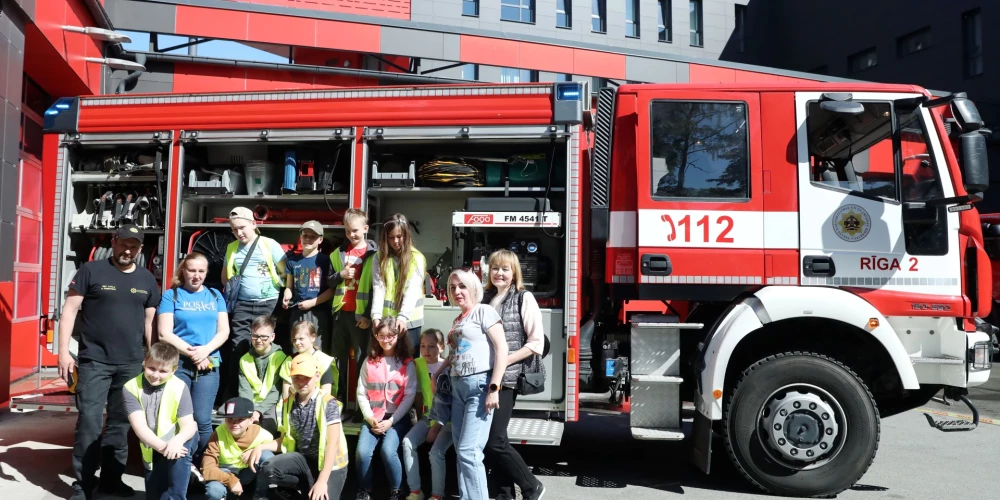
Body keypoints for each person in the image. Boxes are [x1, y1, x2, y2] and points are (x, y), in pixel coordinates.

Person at [58, 224, 161, 500]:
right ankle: (83, 483)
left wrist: (153, 357)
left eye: (134, 246)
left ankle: (111, 480)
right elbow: (69, 311)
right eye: (124, 243)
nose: (128, 250)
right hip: (94, 361)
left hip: (131, 363)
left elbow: (150, 322)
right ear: (113, 242)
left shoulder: (147, 279)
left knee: (121, 424)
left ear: (140, 249)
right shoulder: (91, 271)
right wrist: (63, 352)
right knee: (90, 422)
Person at [157, 251, 231, 474]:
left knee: (203, 419)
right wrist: (193, 354)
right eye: (192, 270)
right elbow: (164, 333)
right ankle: (181, 467)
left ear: (206, 273)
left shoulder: (215, 295)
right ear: (183, 271)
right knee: (181, 419)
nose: (196, 275)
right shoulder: (172, 296)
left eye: (201, 271)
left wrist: (205, 351)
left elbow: (224, 330)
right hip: (180, 366)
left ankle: (207, 465)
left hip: (209, 365)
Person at [482, 250, 547, 500]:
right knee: (494, 441)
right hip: (486, 377)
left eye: (505, 269)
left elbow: (536, 344)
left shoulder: (523, 298)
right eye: (495, 268)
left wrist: (503, 361)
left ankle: (532, 486)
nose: (499, 273)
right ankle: (503, 495)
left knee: (495, 441)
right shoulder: (486, 298)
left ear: (514, 273)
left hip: (507, 379)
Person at [445, 269, 508, 500]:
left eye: (461, 286)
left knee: (469, 451)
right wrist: (437, 374)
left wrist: (494, 387)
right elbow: (454, 355)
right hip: (457, 387)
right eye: (453, 287)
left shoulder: (484, 311)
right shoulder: (458, 319)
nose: (457, 291)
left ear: (473, 287)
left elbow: (502, 348)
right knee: (461, 452)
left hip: (479, 387)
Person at [255, 354, 350, 500]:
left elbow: (333, 443)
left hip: (331, 466)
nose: (301, 382)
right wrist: (260, 447)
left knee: (322, 495)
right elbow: (285, 441)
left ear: (317, 376)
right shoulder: (288, 403)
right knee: (269, 469)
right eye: (296, 377)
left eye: (307, 377)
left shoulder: (327, 402)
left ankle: (314, 487)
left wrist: (322, 481)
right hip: (304, 461)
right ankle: (302, 489)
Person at [221, 206, 287, 403]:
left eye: (242, 227)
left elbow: (286, 271)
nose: (239, 233)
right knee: (238, 348)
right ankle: (236, 395)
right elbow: (225, 277)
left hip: (267, 304)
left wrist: (287, 291)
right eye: (234, 229)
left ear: (254, 224)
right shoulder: (231, 248)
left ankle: (266, 394)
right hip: (242, 304)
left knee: (264, 347)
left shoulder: (269, 244)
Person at [122, 342, 199, 500]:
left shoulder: (180, 386)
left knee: (176, 485)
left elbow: (189, 425)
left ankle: (180, 489)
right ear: (145, 362)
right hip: (153, 445)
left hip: (178, 443)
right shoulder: (130, 387)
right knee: (155, 494)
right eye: (151, 368)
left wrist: (177, 441)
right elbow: (140, 427)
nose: (155, 375)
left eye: (163, 371)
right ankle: (190, 478)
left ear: (174, 370)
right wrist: (163, 448)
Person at [355, 318, 417, 500]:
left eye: (390, 336)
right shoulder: (370, 361)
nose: (386, 340)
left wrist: (391, 421)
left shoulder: (407, 363)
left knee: (388, 451)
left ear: (398, 336)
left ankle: (397, 490)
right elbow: (361, 393)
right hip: (373, 418)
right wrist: (368, 417)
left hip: (397, 418)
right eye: (381, 336)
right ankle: (365, 490)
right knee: (362, 453)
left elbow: (409, 396)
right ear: (376, 337)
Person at [328, 208, 378, 405]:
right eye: (348, 231)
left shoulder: (374, 254)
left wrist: (367, 315)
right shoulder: (337, 254)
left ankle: (360, 406)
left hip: (361, 318)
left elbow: (377, 289)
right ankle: (337, 402)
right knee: (337, 360)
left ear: (366, 228)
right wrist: (340, 275)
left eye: (355, 231)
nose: (351, 235)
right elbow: (329, 282)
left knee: (360, 361)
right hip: (341, 315)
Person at [401, 329, 453, 500]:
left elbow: (449, 401)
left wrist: (438, 425)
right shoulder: (417, 364)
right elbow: (418, 394)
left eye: (431, 346)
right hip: (429, 417)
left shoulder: (449, 366)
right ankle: (415, 491)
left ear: (442, 347)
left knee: (435, 452)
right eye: (423, 346)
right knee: (408, 443)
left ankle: (437, 495)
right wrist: (418, 418)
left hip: (448, 421)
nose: (426, 351)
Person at [201, 397, 278, 500]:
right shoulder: (219, 433)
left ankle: (261, 495)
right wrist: (231, 480)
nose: (234, 424)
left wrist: (257, 448)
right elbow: (207, 469)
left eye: (240, 419)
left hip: (247, 473)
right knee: (214, 491)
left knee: (267, 456)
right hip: (223, 473)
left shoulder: (260, 433)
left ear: (251, 420)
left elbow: (280, 443)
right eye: (230, 419)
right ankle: (226, 494)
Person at [371, 213, 427, 351]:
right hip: (386, 321)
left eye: (399, 237)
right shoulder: (379, 257)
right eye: (391, 237)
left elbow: (412, 289)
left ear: (406, 235)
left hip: (409, 322)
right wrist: (376, 316)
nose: (395, 241)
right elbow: (379, 287)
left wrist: (402, 317)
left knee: (408, 364)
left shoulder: (417, 258)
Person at [282, 221, 334, 351]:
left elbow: (332, 290)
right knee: (297, 347)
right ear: (300, 237)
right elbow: (289, 286)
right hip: (297, 311)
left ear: (320, 239)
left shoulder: (326, 260)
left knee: (317, 348)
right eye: (305, 235)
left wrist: (313, 302)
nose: (308, 239)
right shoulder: (292, 261)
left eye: (313, 236)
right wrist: (287, 295)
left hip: (319, 312)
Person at [238, 315, 288, 436]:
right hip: (250, 402)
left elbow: (276, 390)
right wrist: (249, 411)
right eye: (255, 336)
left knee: (270, 426)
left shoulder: (280, 358)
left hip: (272, 403)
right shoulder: (244, 359)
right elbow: (244, 390)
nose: (259, 340)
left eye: (263, 337)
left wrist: (258, 412)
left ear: (272, 337)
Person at [280, 320, 338, 400]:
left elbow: (326, 395)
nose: (297, 342)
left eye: (301, 338)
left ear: (313, 338)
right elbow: (285, 396)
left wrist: (298, 390)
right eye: (294, 339)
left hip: (317, 407)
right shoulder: (289, 360)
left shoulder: (324, 361)